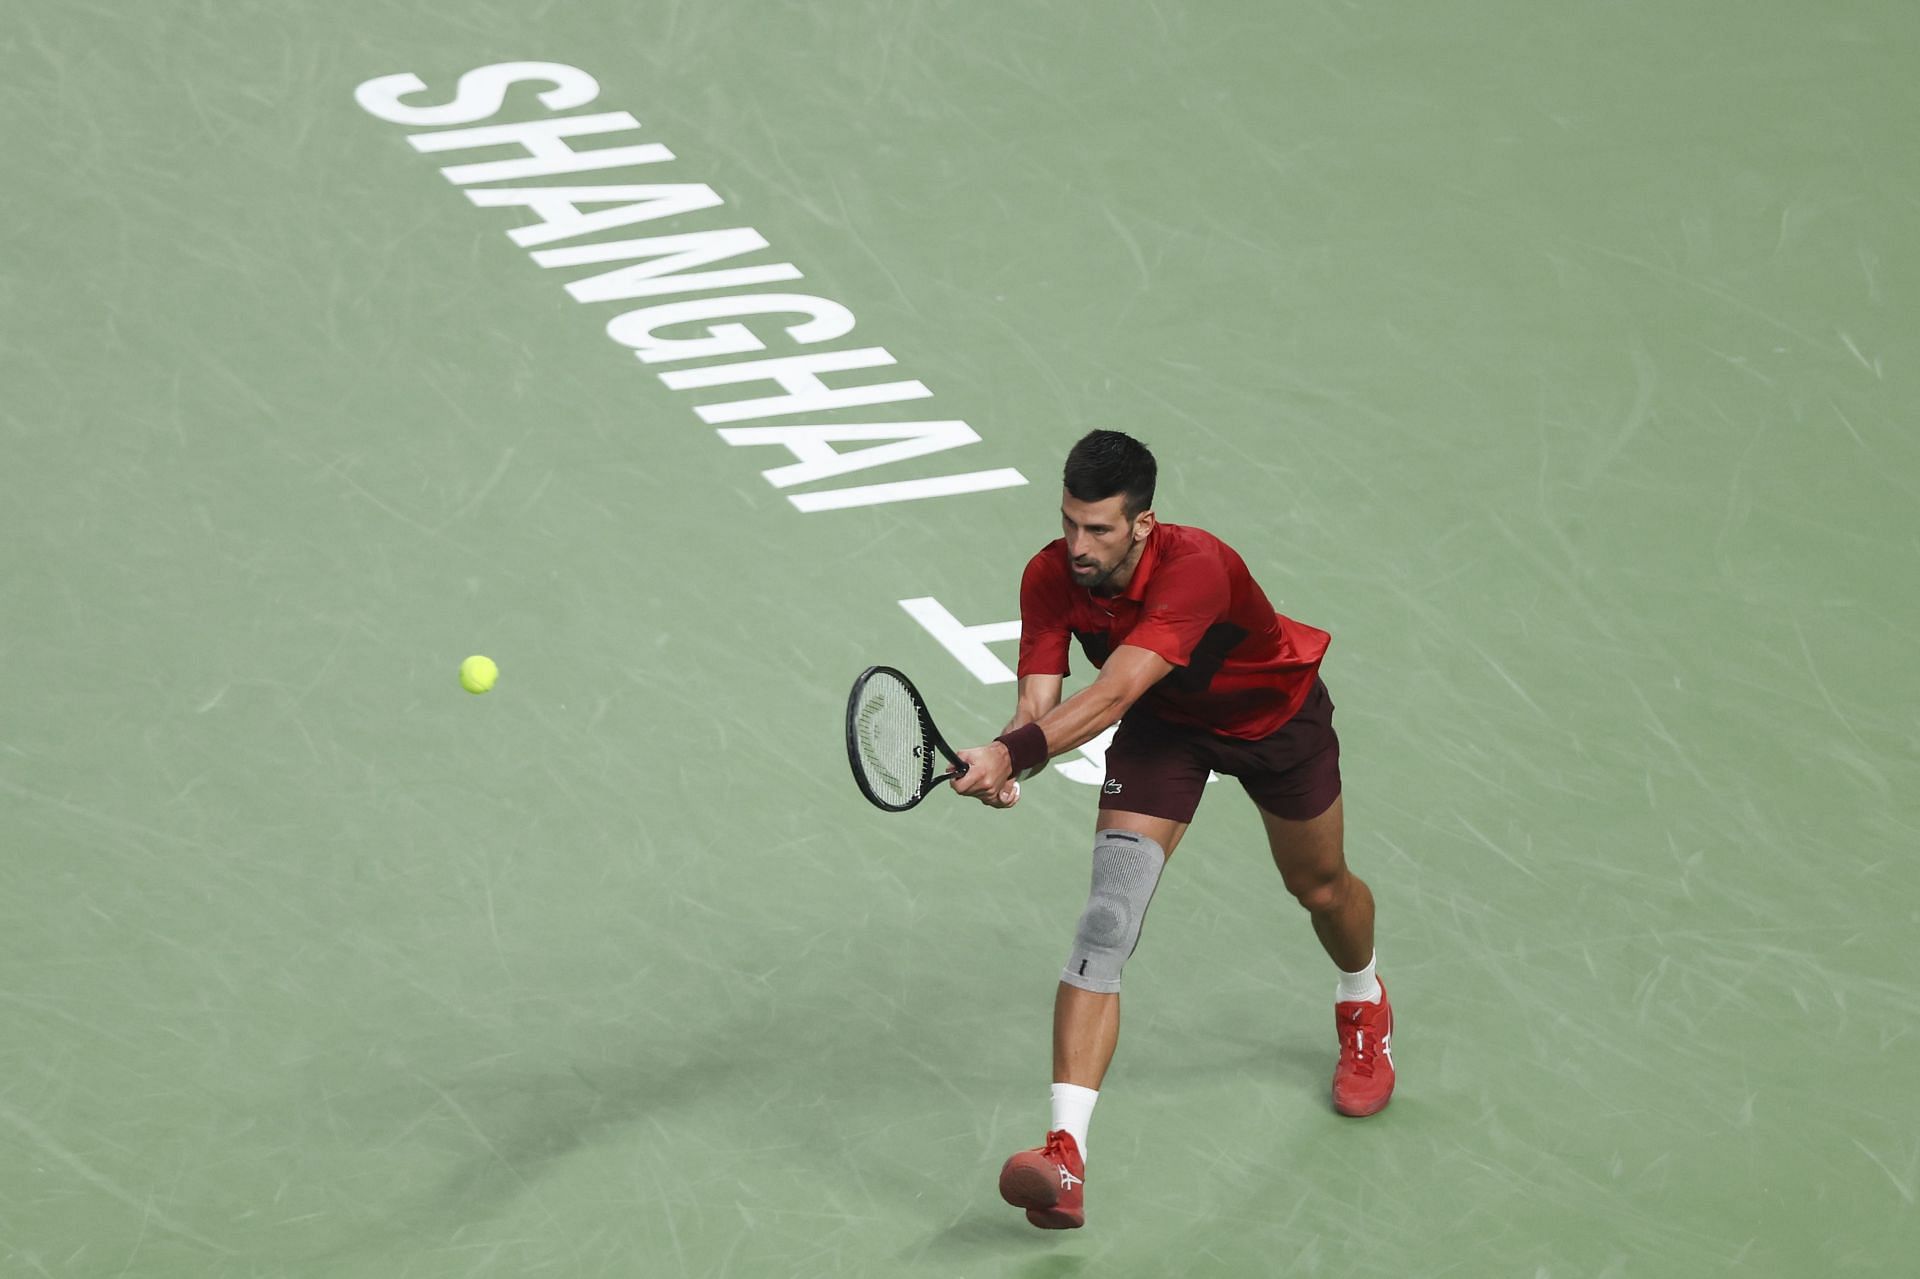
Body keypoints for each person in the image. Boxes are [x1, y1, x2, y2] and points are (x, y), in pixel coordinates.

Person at [951, 429, 1393, 1231]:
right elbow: (1037, 708)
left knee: (1321, 888)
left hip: (1275, 721)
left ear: (1144, 522)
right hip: (1166, 733)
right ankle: (1065, 1155)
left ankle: (1363, 1002)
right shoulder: (1050, 576)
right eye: (1068, 523)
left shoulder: (1198, 567)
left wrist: (1012, 752)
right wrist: (1012, 758)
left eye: (1099, 530)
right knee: (1105, 920)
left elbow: (1115, 690)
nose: (1078, 546)